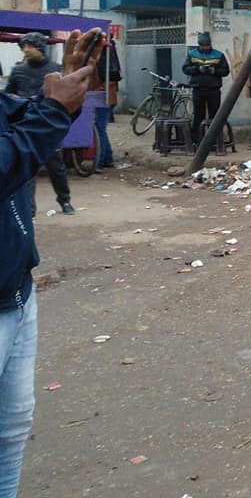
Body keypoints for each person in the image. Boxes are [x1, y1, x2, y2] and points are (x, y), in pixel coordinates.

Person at [0, 28, 101, 498]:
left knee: (13, 427)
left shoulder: (27, 75)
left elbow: (11, 114)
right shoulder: (22, 69)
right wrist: (54, 109)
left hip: (16, 289)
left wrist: (66, 96)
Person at [4, 33, 74, 215]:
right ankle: (29, 209)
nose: (26, 50)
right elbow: (8, 93)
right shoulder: (18, 71)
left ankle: (65, 200)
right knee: (27, 170)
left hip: (47, 124)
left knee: (56, 167)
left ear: (40, 47)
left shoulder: (55, 69)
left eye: (30, 46)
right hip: (24, 125)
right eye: (23, 46)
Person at [182, 31, 230, 143]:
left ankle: (214, 141)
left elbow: (225, 71)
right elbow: (185, 69)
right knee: (198, 117)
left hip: (213, 90)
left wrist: (215, 71)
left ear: (210, 44)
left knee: (214, 117)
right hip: (198, 90)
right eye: (203, 46)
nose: (205, 48)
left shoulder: (218, 55)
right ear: (199, 45)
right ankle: (197, 141)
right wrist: (198, 69)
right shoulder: (192, 54)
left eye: (207, 45)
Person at [92, 36, 122, 169]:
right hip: (107, 95)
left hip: (103, 96)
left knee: (100, 129)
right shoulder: (110, 53)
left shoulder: (105, 56)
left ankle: (99, 162)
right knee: (101, 128)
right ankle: (107, 158)